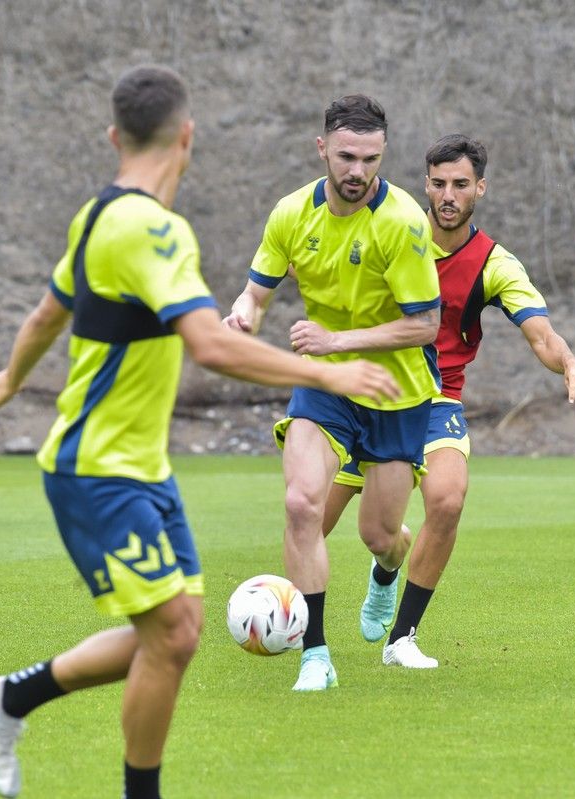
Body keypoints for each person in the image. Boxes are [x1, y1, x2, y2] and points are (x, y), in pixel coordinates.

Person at [0, 66, 398, 799]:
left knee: (178, 632)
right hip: (96, 466)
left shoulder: (97, 214)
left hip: (141, 467)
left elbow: (46, 314)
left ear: (112, 137)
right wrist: (331, 374)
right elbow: (212, 344)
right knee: (169, 634)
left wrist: (8, 378)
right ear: (187, 137)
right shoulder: (153, 229)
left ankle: (8, 699)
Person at [322, 134, 575, 668]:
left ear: (481, 188)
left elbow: (542, 336)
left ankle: (401, 638)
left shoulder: (494, 263)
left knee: (448, 501)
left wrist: (570, 362)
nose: (447, 195)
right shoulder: (390, 231)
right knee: (320, 524)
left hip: (434, 402)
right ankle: (373, 577)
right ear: (425, 185)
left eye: (459, 184)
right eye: (437, 183)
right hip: (364, 395)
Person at [223, 95, 441, 691]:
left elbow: (426, 324)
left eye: (371, 159)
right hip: (323, 385)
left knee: (382, 535)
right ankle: (314, 652)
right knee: (301, 504)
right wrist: (241, 315)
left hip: (395, 390)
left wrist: (337, 338)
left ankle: (384, 572)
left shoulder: (401, 222)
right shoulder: (291, 214)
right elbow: (257, 293)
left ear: (382, 156)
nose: (358, 171)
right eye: (346, 156)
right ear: (322, 148)